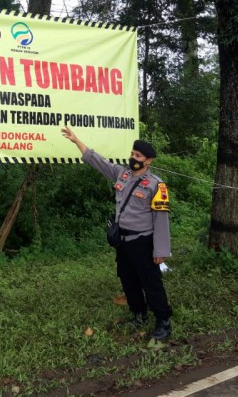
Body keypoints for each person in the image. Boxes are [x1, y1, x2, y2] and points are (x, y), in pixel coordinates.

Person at [61, 127, 173, 341]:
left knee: (151, 283)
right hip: (123, 242)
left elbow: (161, 220)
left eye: (138, 156)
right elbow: (97, 160)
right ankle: (138, 314)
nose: (133, 158)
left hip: (144, 242)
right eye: (132, 154)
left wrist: (161, 250)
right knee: (128, 280)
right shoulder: (122, 174)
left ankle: (163, 321)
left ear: (148, 161)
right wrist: (77, 141)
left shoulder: (156, 185)